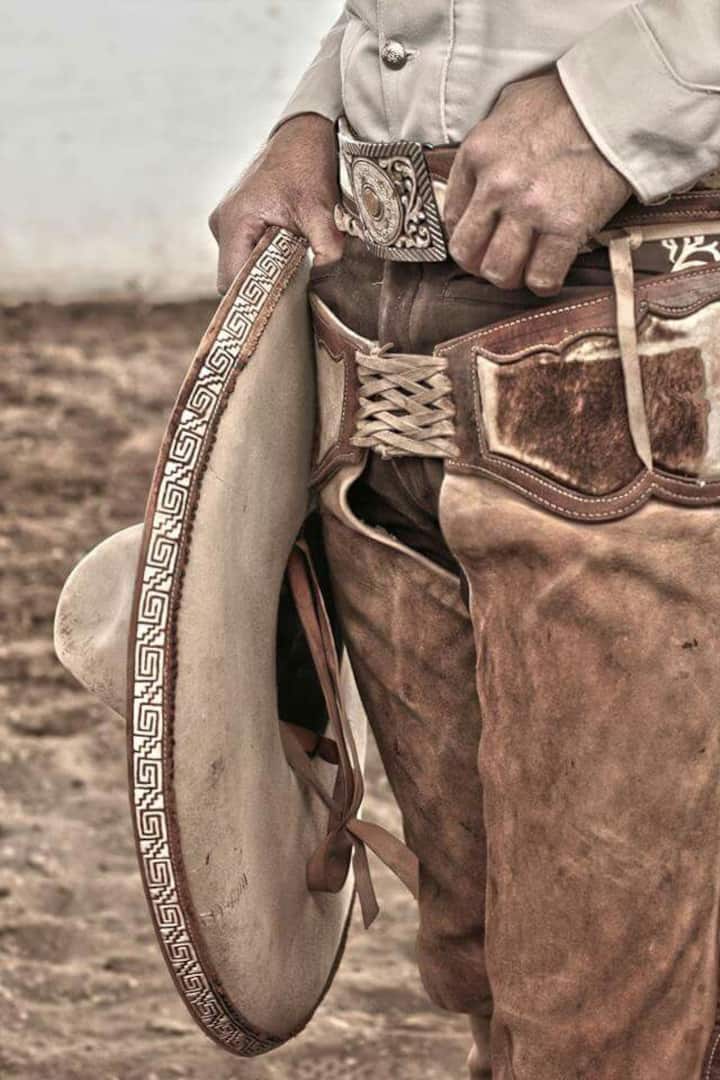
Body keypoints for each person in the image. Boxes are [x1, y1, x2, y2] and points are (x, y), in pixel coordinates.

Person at [209, 4, 720, 1077]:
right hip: (377, 347)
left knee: (611, 1020)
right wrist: (317, 112)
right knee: (488, 962)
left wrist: (625, 101)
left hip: (642, 316)